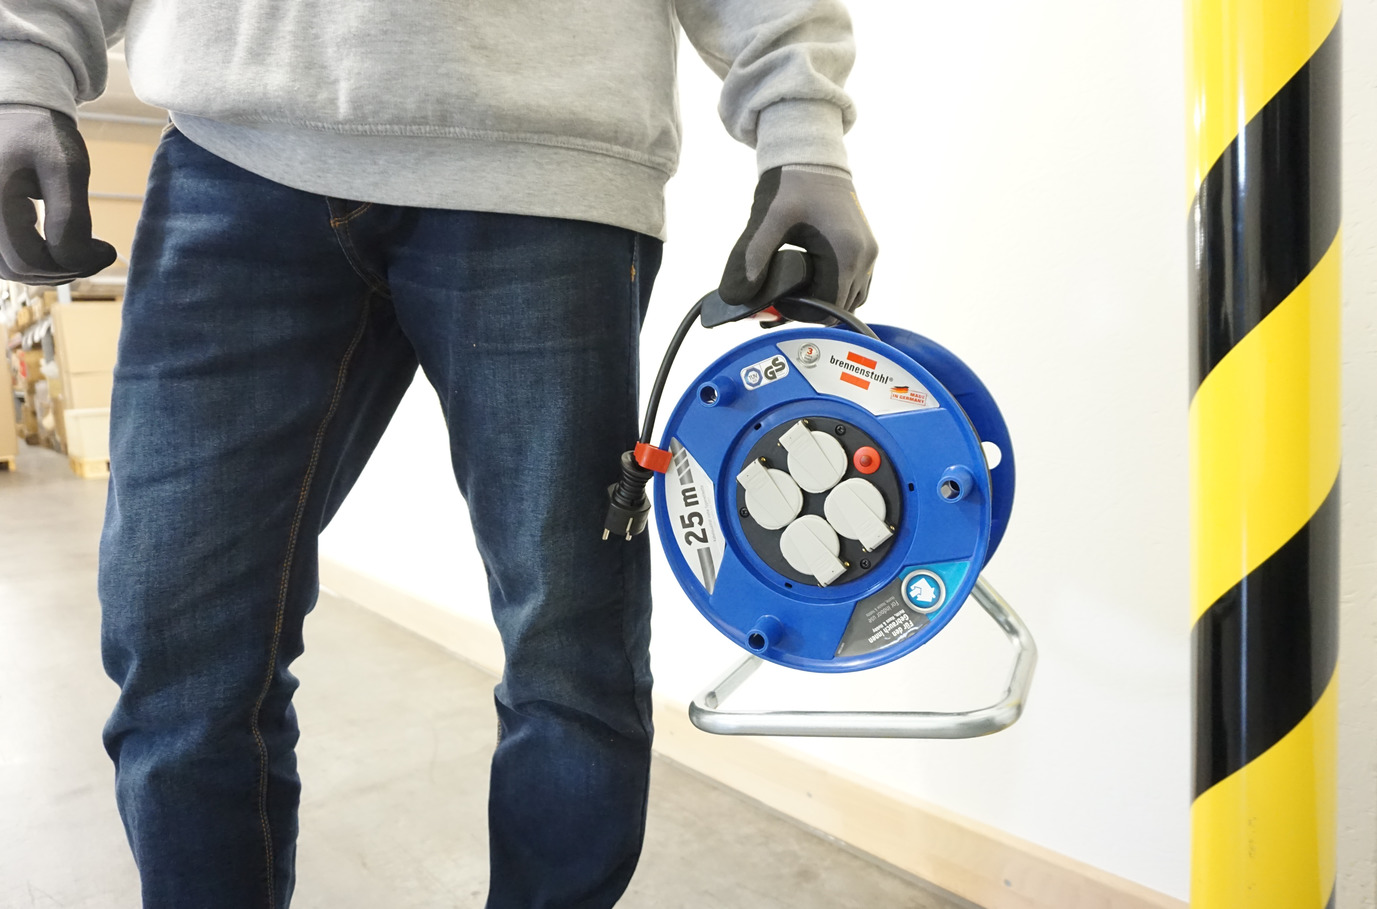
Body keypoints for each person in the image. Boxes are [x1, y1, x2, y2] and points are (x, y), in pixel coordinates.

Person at [0, 2, 879, 906]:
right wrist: (22, 66)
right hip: (234, 152)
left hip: (547, 164)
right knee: (177, 649)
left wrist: (801, 129)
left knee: (568, 649)